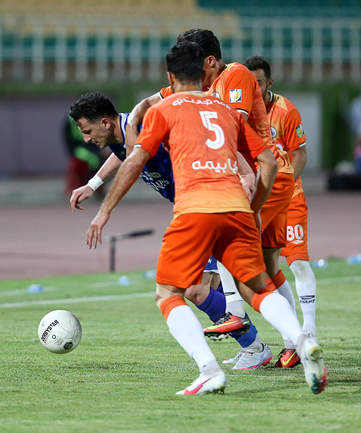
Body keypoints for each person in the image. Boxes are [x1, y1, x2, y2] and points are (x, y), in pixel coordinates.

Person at [85, 41, 326, 395]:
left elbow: (135, 159)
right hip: (237, 207)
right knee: (257, 285)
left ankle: (209, 369)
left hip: (196, 208)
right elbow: (268, 162)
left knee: (168, 292)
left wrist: (103, 210)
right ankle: (303, 342)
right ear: (204, 73)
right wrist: (254, 208)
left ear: (170, 77)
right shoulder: (226, 108)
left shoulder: (164, 109)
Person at [128, 29, 297, 368]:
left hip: (265, 175)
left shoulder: (235, 74)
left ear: (210, 61)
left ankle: (241, 315)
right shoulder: (198, 87)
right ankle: (295, 341)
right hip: (250, 177)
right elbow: (146, 105)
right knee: (268, 269)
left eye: (197, 65)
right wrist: (134, 124)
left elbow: (230, 131)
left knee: (232, 245)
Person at [68, 92, 272, 370]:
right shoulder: (122, 135)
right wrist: (93, 184)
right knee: (215, 287)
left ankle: (262, 345)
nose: (86, 139)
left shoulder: (147, 126)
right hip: (197, 207)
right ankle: (266, 344)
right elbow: (123, 155)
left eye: (87, 131)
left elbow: (202, 138)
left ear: (105, 122)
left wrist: (243, 171)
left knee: (198, 289)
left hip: (209, 206)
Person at [245, 55, 317, 368]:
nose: (255, 90)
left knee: (297, 262)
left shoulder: (285, 111)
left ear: (269, 83)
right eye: (250, 85)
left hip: (289, 198)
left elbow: (300, 153)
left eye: (259, 84)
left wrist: (285, 187)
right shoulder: (243, 112)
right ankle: (292, 343)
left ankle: (309, 333)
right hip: (262, 198)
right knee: (269, 267)